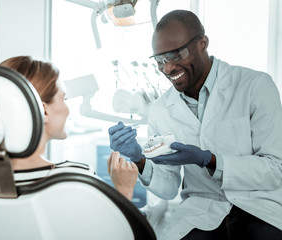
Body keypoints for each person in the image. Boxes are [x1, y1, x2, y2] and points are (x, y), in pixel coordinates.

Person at [108, 9, 282, 240]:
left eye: (177, 55)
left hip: (259, 207)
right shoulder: (161, 109)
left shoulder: (255, 86)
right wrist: (140, 159)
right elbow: (169, 187)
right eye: (160, 60)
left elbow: (274, 169)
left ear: (203, 43)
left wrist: (208, 160)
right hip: (201, 212)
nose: (168, 68)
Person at [0, 56, 138, 200]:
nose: (67, 109)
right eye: (64, 99)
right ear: (44, 111)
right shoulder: (77, 180)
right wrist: (124, 190)